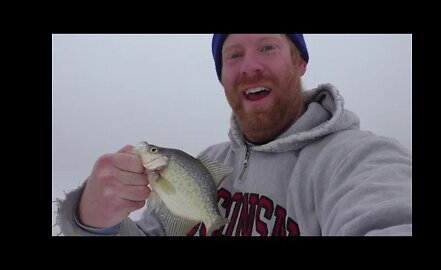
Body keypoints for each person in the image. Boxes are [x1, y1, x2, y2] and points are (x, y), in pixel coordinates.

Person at [55, 34, 412, 236]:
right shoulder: (207, 161)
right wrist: (94, 221)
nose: (249, 66)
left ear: (300, 62)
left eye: (267, 46)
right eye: (233, 55)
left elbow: (390, 215)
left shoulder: (358, 159)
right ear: (223, 76)